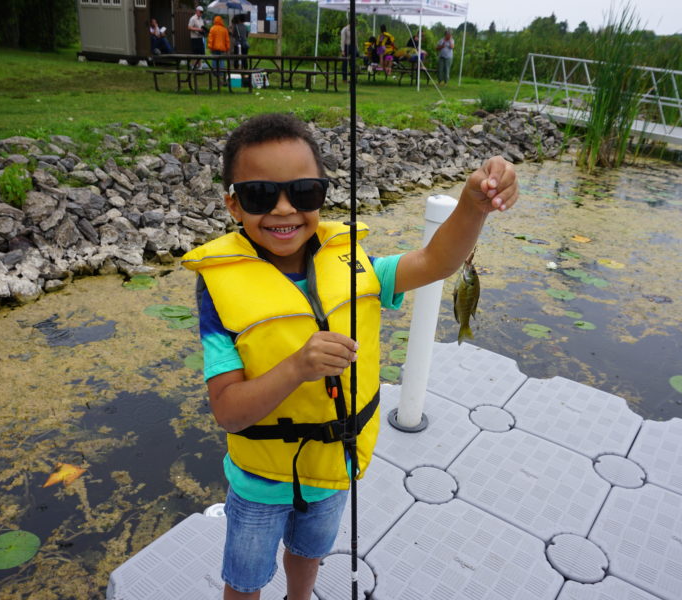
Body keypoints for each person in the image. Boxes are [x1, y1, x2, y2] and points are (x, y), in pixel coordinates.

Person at [181, 113, 519, 600]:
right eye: (260, 195)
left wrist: (473, 206)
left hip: (333, 467)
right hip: (259, 481)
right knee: (246, 578)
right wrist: (296, 367)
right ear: (233, 204)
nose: (283, 210)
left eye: (303, 193)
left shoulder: (357, 265)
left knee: (309, 554)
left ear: (322, 193)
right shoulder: (217, 289)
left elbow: (436, 261)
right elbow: (228, 411)